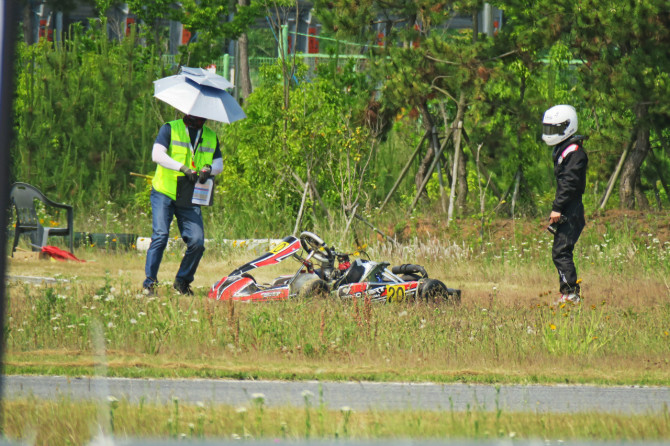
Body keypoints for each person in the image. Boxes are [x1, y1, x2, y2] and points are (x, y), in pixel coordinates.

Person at [142, 114, 223, 295]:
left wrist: (209, 168)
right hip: (164, 191)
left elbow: (219, 163)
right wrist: (182, 168)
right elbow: (157, 154)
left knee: (197, 242)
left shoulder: (210, 135)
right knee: (161, 235)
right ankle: (150, 284)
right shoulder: (170, 128)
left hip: (189, 195)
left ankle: (182, 282)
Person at [541, 104, 588, 304]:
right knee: (560, 251)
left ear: (567, 127)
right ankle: (568, 293)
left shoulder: (575, 152)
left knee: (561, 252)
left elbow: (569, 185)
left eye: (555, 129)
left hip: (572, 209)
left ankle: (570, 294)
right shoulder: (567, 149)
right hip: (567, 207)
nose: (551, 134)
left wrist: (557, 207)